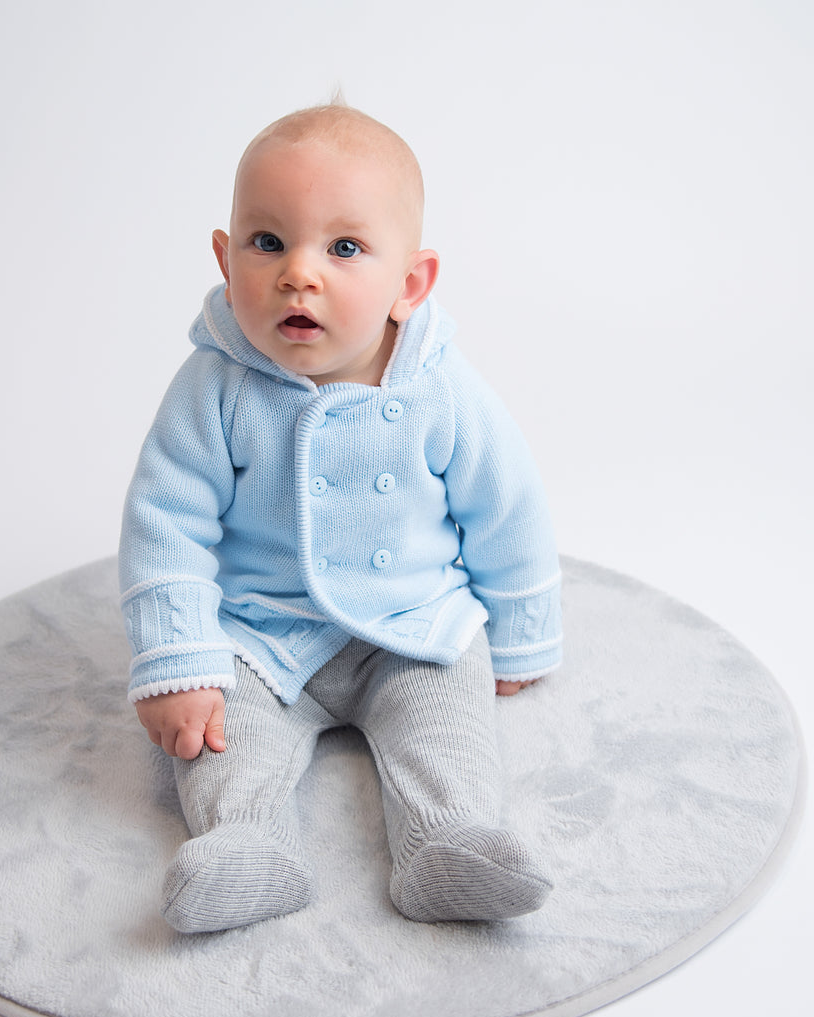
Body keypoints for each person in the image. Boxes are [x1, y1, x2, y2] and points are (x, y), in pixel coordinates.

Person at [118, 102, 562, 933]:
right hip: (259, 632)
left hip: (413, 624)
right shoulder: (215, 387)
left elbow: (508, 509)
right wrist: (177, 657)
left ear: (411, 284)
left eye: (345, 248)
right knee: (221, 735)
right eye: (268, 242)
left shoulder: (441, 388)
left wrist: (523, 631)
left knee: (447, 728)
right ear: (224, 257)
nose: (299, 274)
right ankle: (246, 845)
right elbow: (164, 524)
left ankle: (450, 845)